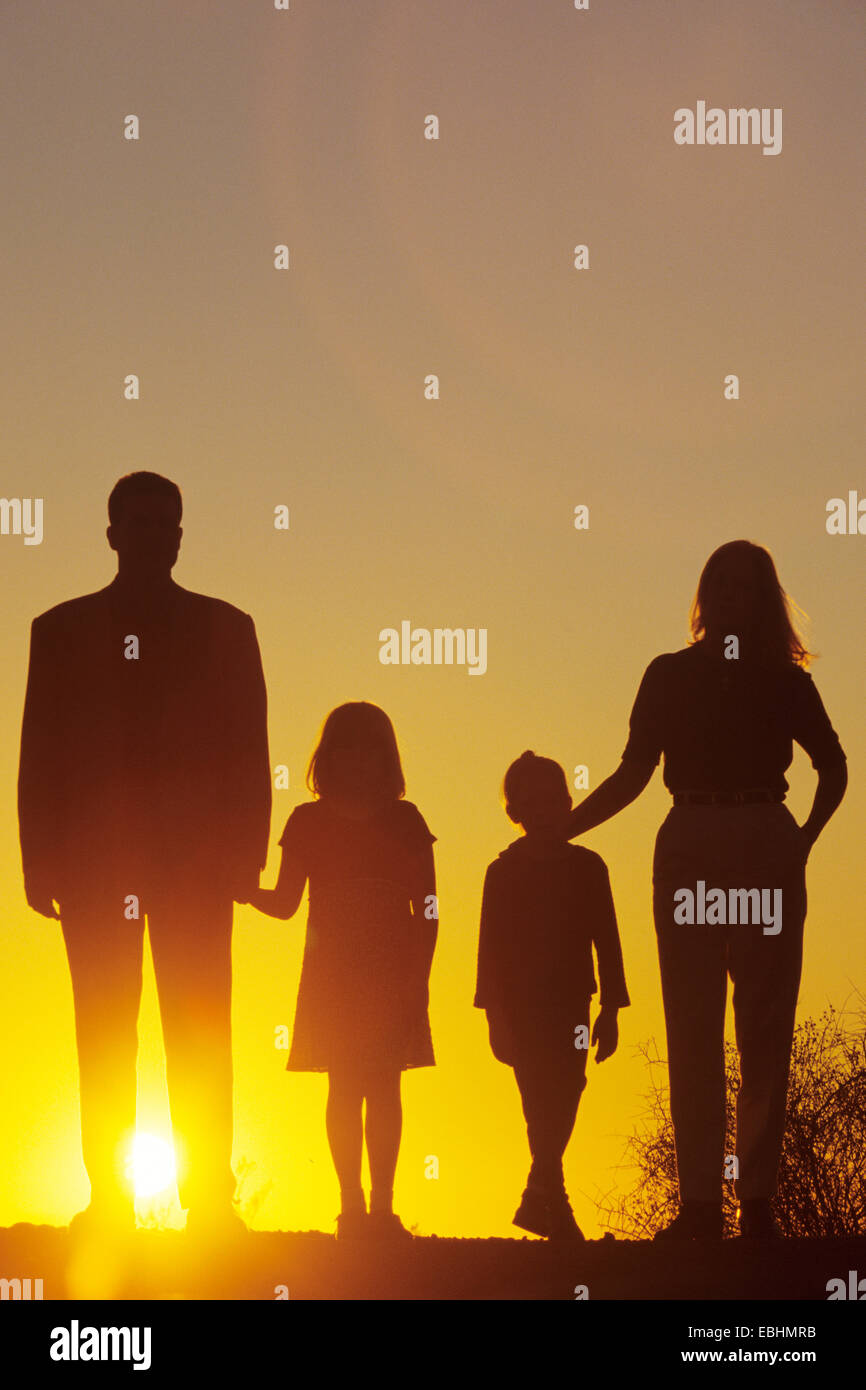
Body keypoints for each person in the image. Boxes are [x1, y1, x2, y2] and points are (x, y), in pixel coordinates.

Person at [563, 540, 847, 1239]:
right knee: (691, 1029)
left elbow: (834, 767)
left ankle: (755, 1204)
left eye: (745, 586)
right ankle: (697, 1207)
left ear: (763, 599)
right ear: (704, 594)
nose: (730, 596)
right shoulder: (667, 675)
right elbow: (633, 772)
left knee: (763, 1028)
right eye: (719, 583)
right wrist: (564, 829)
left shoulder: (787, 682)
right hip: (689, 838)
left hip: (763, 838)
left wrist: (799, 841)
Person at [18, 472, 271, 1236]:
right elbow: (38, 750)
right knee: (102, 1030)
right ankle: (110, 1201)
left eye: (169, 524)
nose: (157, 535)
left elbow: (249, 750)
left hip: (197, 866)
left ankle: (212, 1201)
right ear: (113, 534)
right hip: (95, 866)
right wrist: (38, 857)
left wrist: (244, 852)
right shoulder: (59, 630)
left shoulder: (227, 628)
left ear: (181, 536)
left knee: (200, 1028)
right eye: (142, 523)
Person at [239, 701, 437, 1240]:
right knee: (345, 1086)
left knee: (386, 1086)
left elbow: (430, 905)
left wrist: (419, 976)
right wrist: (239, 889)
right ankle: (351, 1208)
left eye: (369, 748)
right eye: (347, 747)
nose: (358, 759)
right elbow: (284, 902)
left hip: (393, 974)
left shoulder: (406, 819)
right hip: (333, 976)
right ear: (329, 756)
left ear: (385, 757)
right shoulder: (307, 819)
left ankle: (383, 1208)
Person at [475, 750, 629, 1240]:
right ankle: (550, 1197)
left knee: (569, 1088)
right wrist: (493, 1013)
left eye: (555, 799)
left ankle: (543, 1193)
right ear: (516, 810)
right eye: (533, 802)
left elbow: (608, 938)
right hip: (521, 1008)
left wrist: (611, 1008)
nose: (546, 811)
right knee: (537, 1096)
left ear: (567, 803)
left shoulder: (588, 867)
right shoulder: (502, 872)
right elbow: (489, 949)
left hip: (573, 1003)